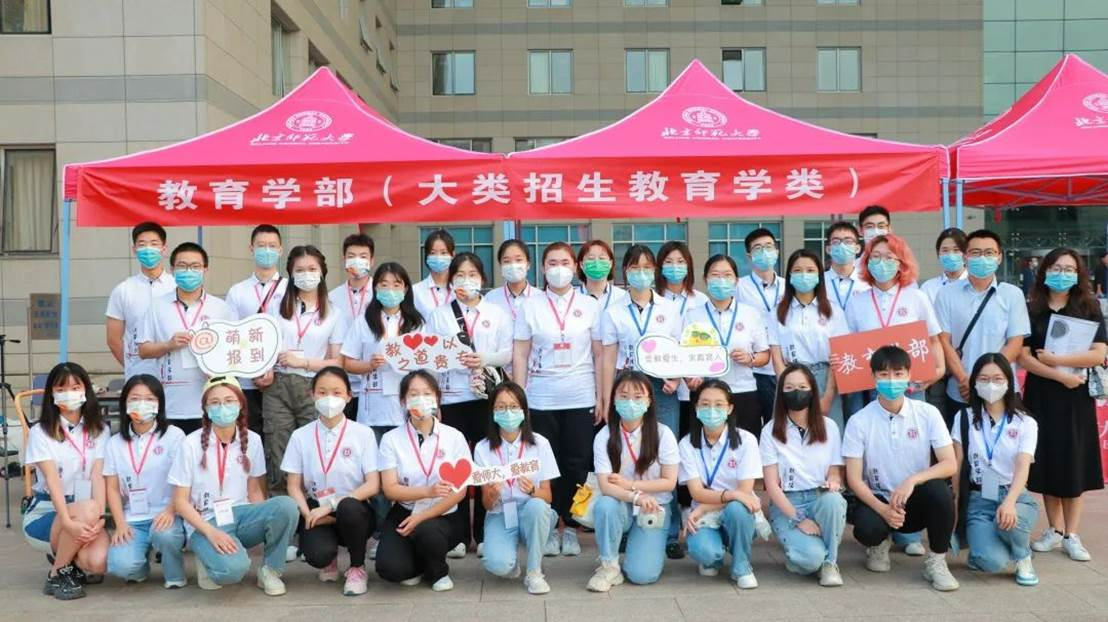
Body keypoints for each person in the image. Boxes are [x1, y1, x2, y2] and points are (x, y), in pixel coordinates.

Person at [512, 241, 603, 558]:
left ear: (575, 267)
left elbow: (600, 354)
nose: (559, 269)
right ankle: (550, 526)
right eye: (552, 263)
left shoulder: (589, 304)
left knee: (577, 463)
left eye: (565, 262)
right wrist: (520, 399)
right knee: (546, 465)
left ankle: (572, 525)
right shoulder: (531, 306)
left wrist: (601, 396)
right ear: (542, 268)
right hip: (541, 397)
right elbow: (520, 354)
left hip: (580, 395)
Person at [842, 346, 959, 591]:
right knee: (867, 527)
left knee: (940, 492)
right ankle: (878, 544)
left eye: (898, 374)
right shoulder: (859, 421)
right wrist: (883, 510)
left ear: (908, 375)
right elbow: (853, 478)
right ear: (873, 377)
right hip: (879, 501)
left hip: (914, 500)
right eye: (884, 375)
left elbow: (950, 463)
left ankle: (937, 561)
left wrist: (913, 480)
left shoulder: (927, 413)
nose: (891, 381)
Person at [168, 375, 298, 595]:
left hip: (241, 515)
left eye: (229, 401)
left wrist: (266, 524)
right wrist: (211, 533)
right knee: (232, 571)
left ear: (240, 405)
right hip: (206, 522)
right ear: (205, 408)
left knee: (286, 506)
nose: (223, 407)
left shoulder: (253, 440)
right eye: (215, 402)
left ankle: (270, 570)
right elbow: (180, 501)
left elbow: (255, 490)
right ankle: (209, 559)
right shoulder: (190, 444)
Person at [1020, 248, 1107, 561]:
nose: (1062, 274)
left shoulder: (1088, 307)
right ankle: (1054, 529)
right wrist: (1057, 374)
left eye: (1069, 269)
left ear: (1078, 274)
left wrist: (1059, 360)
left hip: (1075, 396)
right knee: (1047, 460)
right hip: (1041, 394)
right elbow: (1023, 356)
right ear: (1044, 270)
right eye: (1056, 268)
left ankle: (1072, 533)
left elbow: (1098, 354)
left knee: (1073, 460)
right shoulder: (1032, 309)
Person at [600, 244, 684, 558]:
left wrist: (676, 378)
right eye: (635, 267)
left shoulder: (669, 309)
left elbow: (679, 349)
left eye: (647, 267)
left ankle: (669, 530)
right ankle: (625, 527)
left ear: (655, 272)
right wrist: (606, 397)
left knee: (662, 454)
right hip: (626, 387)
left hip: (661, 388)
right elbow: (608, 358)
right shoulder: (614, 311)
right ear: (625, 272)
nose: (641, 273)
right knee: (626, 454)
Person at [429, 252, 513, 558]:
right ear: (451, 280)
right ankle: (459, 535)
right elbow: (431, 359)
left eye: (473, 275)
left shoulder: (497, 312)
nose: (467, 281)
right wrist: (435, 400)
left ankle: (485, 532)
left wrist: (484, 358)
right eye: (460, 275)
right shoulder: (439, 315)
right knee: (456, 466)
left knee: (487, 464)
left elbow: (507, 353)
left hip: (486, 398)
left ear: (483, 278)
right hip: (452, 397)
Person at [342, 261, 425, 559]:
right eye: (384, 285)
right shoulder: (364, 322)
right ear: (375, 288)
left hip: (407, 410)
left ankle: (409, 528)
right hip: (372, 411)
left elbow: (428, 362)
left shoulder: (416, 322)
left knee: (408, 472)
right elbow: (347, 361)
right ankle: (379, 533)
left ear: (406, 289)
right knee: (376, 477)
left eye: (396, 285)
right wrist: (368, 365)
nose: (390, 290)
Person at [280, 367, 380, 596]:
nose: (329, 399)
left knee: (348, 508)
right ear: (312, 395)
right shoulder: (300, 435)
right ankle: (329, 559)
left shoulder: (362, 433)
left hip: (354, 508)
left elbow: (373, 484)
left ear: (349, 396)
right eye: (322, 392)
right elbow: (293, 486)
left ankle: (357, 567)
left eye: (337, 392)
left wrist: (331, 507)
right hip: (316, 507)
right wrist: (308, 514)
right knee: (317, 555)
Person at [375, 371, 471, 591]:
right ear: (403, 401)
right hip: (405, 511)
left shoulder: (454, 437)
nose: (421, 399)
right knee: (390, 569)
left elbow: (460, 491)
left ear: (437, 398)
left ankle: (437, 571)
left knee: (428, 532)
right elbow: (390, 489)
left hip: (444, 515)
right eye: (413, 394)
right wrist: (428, 491)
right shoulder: (391, 439)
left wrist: (422, 517)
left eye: (427, 393)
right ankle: (420, 562)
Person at [22, 362, 109, 600]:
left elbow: (98, 476)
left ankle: (68, 558)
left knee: (97, 562)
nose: (68, 393)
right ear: (51, 394)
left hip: (88, 510)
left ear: (86, 390)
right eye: (61, 388)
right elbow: (52, 480)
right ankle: (57, 573)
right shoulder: (41, 432)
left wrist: (100, 518)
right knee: (87, 508)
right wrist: (68, 522)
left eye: (75, 387)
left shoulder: (100, 429)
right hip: (48, 510)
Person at [263, 245, 346, 493]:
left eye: (312, 269)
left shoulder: (334, 312)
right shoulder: (275, 306)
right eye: (299, 270)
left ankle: (315, 503)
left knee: (314, 446)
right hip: (278, 385)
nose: (306, 274)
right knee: (277, 445)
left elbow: (337, 362)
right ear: (290, 273)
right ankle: (282, 505)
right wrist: (264, 370)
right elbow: (264, 346)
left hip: (314, 386)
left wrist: (304, 362)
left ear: (322, 272)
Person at [587, 370, 680, 592]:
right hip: (622, 503)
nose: (630, 402)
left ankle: (643, 548)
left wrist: (630, 485)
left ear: (649, 401)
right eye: (624, 396)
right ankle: (609, 566)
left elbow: (669, 482)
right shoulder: (604, 436)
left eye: (638, 397)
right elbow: (606, 486)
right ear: (614, 399)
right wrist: (635, 497)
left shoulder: (663, 434)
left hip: (655, 506)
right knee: (605, 505)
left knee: (642, 575)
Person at [951, 353, 1039, 586]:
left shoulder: (1025, 423)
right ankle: (991, 544)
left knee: (1011, 521)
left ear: (1009, 382)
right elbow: (957, 465)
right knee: (989, 562)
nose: (991, 385)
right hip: (980, 498)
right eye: (984, 379)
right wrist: (955, 504)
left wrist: (1009, 502)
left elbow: (1023, 465)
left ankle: (1022, 556)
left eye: (998, 379)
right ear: (974, 383)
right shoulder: (964, 417)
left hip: (1014, 494)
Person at [760, 364, 847, 587]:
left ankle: (830, 563)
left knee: (834, 501)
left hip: (819, 497)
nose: (796, 392)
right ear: (781, 393)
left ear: (812, 391)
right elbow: (771, 485)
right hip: (788, 503)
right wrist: (798, 518)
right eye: (789, 388)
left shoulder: (829, 426)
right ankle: (807, 556)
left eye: (802, 387)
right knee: (810, 559)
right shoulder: (770, 430)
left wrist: (834, 480)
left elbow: (834, 470)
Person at [138, 242, 237, 435]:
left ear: (205, 270)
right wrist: (168, 345)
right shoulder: (157, 306)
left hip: (210, 402)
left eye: (195, 266)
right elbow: (143, 350)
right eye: (182, 266)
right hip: (170, 402)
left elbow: (233, 353)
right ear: (172, 269)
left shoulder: (221, 308)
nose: (188, 271)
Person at [936, 229, 1029, 426]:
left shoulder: (1012, 294)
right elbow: (943, 341)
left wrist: (985, 379)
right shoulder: (946, 294)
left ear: (999, 257)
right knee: (961, 442)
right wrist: (965, 380)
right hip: (960, 391)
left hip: (1002, 389)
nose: (982, 258)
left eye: (989, 253)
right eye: (976, 253)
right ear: (965, 257)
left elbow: (1015, 343)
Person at [473, 382, 560, 595]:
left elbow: (547, 496)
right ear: (493, 412)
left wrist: (532, 491)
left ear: (524, 411)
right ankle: (511, 557)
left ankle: (534, 572)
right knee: (498, 565)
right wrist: (492, 493)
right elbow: (486, 504)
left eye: (513, 406)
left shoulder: (540, 444)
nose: (508, 413)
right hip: (501, 513)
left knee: (538, 507)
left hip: (532, 510)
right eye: (501, 407)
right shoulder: (482, 448)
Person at [838, 234, 945, 402]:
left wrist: (939, 370)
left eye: (889, 257)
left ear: (901, 264)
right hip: (871, 387)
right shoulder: (856, 301)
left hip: (911, 385)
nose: (882, 262)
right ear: (867, 262)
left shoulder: (917, 297)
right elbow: (847, 346)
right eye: (875, 256)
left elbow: (933, 340)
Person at [104, 375, 187, 588]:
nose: (142, 404)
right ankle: (139, 567)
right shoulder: (114, 443)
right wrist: (120, 524)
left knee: (166, 536)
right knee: (121, 566)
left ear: (159, 404)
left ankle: (174, 574)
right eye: (135, 398)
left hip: (166, 513)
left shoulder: (174, 436)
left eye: (149, 399)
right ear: (124, 403)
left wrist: (170, 510)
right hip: (132, 517)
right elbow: (112, 488)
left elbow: (183, 481)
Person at [680, 379, 761, 589]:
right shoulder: (687, 444)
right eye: (705, 404)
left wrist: (704, 507)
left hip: (734, 511)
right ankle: (713, 558)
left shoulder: (746, 440)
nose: (712, 410)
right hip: (705, 513)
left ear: (730, 408)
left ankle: (742, 565)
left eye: (719, 404)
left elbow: (744, 491)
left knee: (738, 509)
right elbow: (696, 493)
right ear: (696, 407)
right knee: (706, 553)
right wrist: (730, 495)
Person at [683, 254, 769, 436]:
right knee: (703, 445)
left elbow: (765, 354)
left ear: (736, 281)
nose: (721, 280)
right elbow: (684, 357)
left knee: (745, 444)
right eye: (715, 275)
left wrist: (750, 358)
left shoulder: (750, 314)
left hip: (743, 392)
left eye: (727, 275)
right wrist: (690, 379)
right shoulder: (693, 316)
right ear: (705, 279)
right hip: (705, 395)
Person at [768, 249, 847, 430]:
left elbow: (838, 356)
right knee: (787, 434)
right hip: (791, 379)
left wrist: (828, 397)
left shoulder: (833, 311)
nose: (804, 275)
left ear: (819, 275)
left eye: (810, 270)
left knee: (827, 434)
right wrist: (787, 388)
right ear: (789, 276)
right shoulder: (777, 312)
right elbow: (777, 358)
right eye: (797, 270)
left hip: (825, 378)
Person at [225, 224, 287, 436]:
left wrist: (272, 368)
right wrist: (253, 370)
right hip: (247, 381)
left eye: (272, 246)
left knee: (279, 439)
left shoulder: (290, 289)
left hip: (282, 378)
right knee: (250, 437)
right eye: (261, 245)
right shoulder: (237, 291)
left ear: (280, 250)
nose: (266, 250)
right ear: (251, 248)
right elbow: (232, 336)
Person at [655, 240, 711, 434]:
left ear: (689, 266)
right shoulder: (653, 300)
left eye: (680, 262)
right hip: (664, 385)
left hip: (695, 385)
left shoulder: (701, 300)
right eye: (668, 262)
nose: (675, 267)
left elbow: (707, 343)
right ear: (660, 266)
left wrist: (698, 374)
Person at [106, 222, 174, 379]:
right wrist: (132, 367)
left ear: (164, 248)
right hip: (139, 374)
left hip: (174, 373)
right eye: (142, 244)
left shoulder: (177, 286)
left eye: (154, 244)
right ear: (134, 250)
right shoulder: (123, 290)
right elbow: (113, 339)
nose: (148, 249)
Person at [735, 228, 783, 426]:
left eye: (769, 247)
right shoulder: (738, 287)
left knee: (779, 426)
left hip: (783, 367)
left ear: (777, 251)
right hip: (754, 369)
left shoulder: (788, 286)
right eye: (758, 248)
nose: (764, 252)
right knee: (753, 425)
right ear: (749, 256)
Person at [823, 222, 869, 421]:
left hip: (863, 360)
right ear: (828, 248)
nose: (842, 246)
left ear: (858, 248)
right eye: (836, 241)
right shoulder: (818, 282)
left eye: (848, 241)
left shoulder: (869, 282)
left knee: (859, 417)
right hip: (828, 361)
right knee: (832, 419)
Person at [328, 233, 376, 420]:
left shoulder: (380, 293)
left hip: (373, 380)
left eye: (363, 256)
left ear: (372, 261)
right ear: (344, 260)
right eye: (351, 256)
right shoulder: (332, 297)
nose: (357, 261)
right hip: (342, 382)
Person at [485, 238, 537, 326]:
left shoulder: (540, 297)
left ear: (528, 264)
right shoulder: (490, 298)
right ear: (500, 266)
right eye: (506, 261)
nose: (513, 265)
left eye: (518, 260)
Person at [413, 228, 455, 319]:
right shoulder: (416, 291)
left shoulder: (459, 289)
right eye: (433, 253)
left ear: (452, 255)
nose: (438, 257)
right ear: (426, 256)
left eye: (443, 252)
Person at [577, 239, 630, 311]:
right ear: (581, 264)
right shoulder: (572, 298)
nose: (596, 263)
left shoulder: (623, 297)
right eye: (591, 258)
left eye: (602, 258)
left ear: (610, 263)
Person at [920, 228, 967, 304]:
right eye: (945, 250)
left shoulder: (976, 285)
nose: (951, 255)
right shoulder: (928, 288)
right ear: (938, 254)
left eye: (956, 250)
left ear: (966, 253)